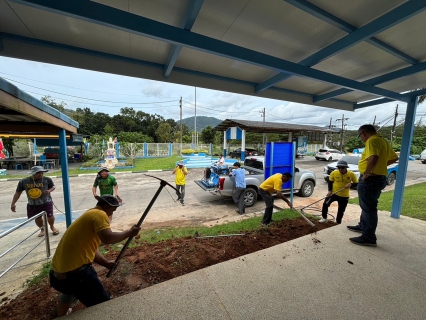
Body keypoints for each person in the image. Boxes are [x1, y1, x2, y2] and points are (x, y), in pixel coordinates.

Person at [49, 195, 140, 317]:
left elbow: (90, 247)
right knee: (103, 306)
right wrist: (129, 232)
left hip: (57, 276)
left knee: (70, 291)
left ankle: (62, 315)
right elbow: (108, 238)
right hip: (76, 276)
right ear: (106, 206)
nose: (112, 213)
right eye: (113, 210)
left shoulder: (90, 214)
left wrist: (105, 262)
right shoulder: (100, 214)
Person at [347, 124, 398, 246]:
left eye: (360, 136)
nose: (361, 139)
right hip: (378, 178)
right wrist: (381, 166)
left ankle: (368, 237)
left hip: (370, 179)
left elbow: (373, 157)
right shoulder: (382, 141)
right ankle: (363, 226)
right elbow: (394, 157)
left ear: (363, 133)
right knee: (367, 205)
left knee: (369, 208)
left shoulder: (372, 141)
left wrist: (367, 173)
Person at [11, 166, 59, 237]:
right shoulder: (24, 181)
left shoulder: (47, 179)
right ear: (33, 173)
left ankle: (52, 226)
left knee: (50, 215)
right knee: (38, 217)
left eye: (42, 172)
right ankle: (42, 229)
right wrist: (13, 203)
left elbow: (53, 187)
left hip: (46, 201)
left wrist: (49, 191)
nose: (41, 174)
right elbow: (18, 192)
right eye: (38, 173)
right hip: (33, 203)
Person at [319, 160, 358, 224]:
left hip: (344, 196)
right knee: (325, 204)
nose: (340, 169)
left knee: (341, 210)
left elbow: (356, 183)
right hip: (333, 194)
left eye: (342, 168)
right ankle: (324, 218)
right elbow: (330, 182)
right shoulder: (334, 173)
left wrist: (351, 184)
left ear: (346, 168)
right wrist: (329, 191)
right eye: (339, 167)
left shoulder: (351, 174)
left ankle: (338, 222)